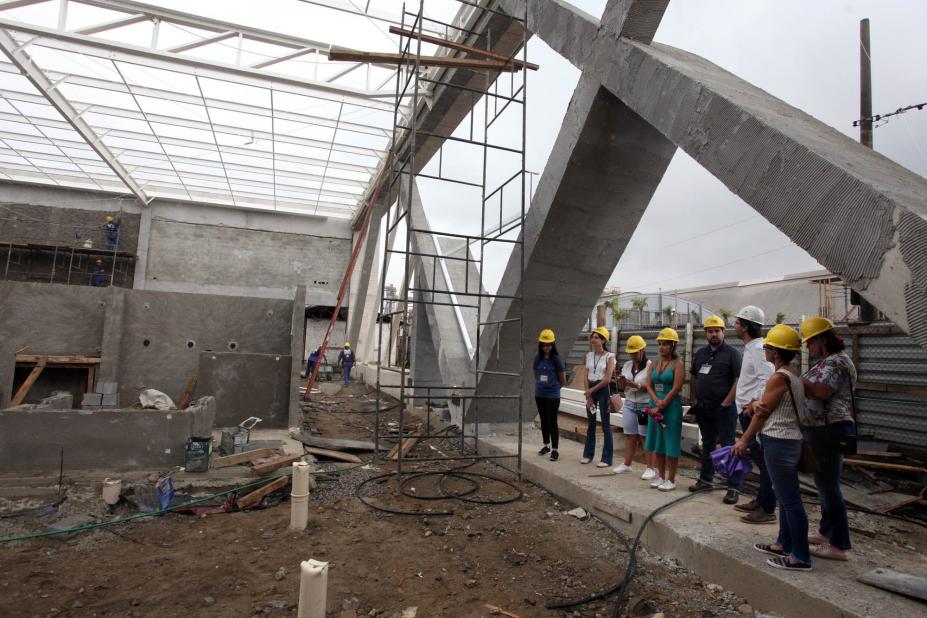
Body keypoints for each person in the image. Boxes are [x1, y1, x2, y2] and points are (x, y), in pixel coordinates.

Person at [733, 324, 812, 572]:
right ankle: (783, 544)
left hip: (779, 441)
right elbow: (768, 405)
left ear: (776, 353)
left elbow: (763, 413)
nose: (764, 349)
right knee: (785, 496)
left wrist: (744, 439)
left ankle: (799, 556)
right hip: (787, 440)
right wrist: (757, 404)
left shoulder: (779, 377)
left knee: (790, 501)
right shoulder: (793, 373)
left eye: (768, 346)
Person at [800, 317, 856, 561]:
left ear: (823, 339)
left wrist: (794, 378)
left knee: (829, 485)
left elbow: (822, 392)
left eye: (810, 343)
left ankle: (839, 544)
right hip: (819, 428)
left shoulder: (837, 363)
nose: (809, 349)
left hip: (830, 429)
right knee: (822, 483)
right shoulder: (827, 362)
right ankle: (826, 531)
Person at [689, 315, 743, 503]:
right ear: (705, 333)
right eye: (710, 331)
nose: (714, 334)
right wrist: (694, 399)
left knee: (729, 447)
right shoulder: (701, 354)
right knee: (708, 446)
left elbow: (738, 380)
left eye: (717, 331)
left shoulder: (732, 354)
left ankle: (733, 487)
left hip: (725, 410)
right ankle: (705, 480)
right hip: (704, 408)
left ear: (723, 332)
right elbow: (694, 376)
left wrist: (727, 402)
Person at [733, 305, 776, 523]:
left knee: (764, 461)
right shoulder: (751, 348)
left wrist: (753, 402)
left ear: (747, 326)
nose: (735, 325)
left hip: (752, 413)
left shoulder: (759, 349)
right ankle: (760, 500)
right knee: (760, 460)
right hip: (745, 412)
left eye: (739, 322)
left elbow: (767, 379)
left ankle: (767, 508)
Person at [644, 328, 685, 491]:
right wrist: (655, 402)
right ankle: (660, 476)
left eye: (666, 344)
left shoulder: (678, 364)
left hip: (671, 408)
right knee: (658, 442)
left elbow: (676, 388)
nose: (661, 347)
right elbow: (648, 384)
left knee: (671, 442)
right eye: (660, 344)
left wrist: (661, 405)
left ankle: (671, 479)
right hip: (655, 407)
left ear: (673, 346)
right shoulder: (654, 363)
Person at [613, 335, 655, 477]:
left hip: (644, 405)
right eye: (631, 353)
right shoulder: (627, 365)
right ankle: (627, 463)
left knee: (645, 436)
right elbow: (623, 386)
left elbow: (650, 386)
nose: (633, 355)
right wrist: (621, 382)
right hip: (630, 403)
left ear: (642, 350)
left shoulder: (650, 366)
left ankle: (650, 468)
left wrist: (634, 384)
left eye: (635, 352)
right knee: (630, 435)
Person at [582, 326, 616, 468]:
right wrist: (588, 394)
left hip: (602, 391)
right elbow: (585, 376)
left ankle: (607, 458)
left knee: (605, 425)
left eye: (596, 337)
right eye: (592, 337)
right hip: (591, 390)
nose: (593, 340)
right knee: (591, 424)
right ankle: (588, 455)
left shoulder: (610, 357)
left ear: (603, 340)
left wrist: (591, 391)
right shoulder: (589, 356)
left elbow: (607, 379)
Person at [534, 328, 566, 462]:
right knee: (543, 420)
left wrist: (554, 388)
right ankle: (546, 445)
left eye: (548, 345)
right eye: (543, 345)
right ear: (540, 345)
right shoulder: (538, 358)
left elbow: (562, 379)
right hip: (540, 393)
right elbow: (535, 374)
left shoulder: (556, 360)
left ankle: (555, 450)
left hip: (552, 395)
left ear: (553, 345)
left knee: (552, 421)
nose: (546, 347)